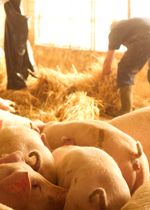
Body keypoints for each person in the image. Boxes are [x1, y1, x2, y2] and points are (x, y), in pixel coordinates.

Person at [101, 17, 150, 117]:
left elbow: (108, 62)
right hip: (146, 35)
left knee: (124, 69)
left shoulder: (115, 31)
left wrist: (102, 80)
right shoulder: (131, 26)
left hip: (145, 37)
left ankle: (125, 111)